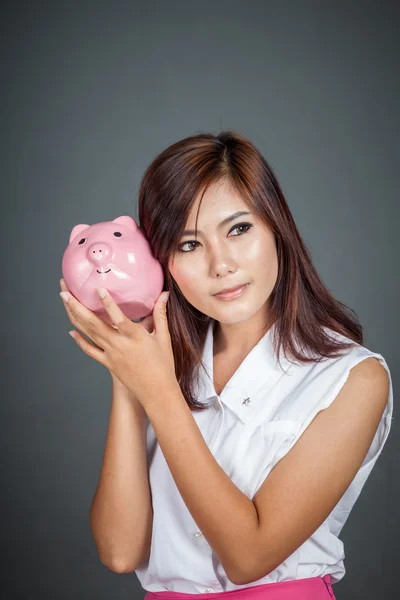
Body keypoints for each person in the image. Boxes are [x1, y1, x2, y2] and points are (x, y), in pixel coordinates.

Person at [61, 130, 393, 599]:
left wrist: (157, 391)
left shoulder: (353, 379)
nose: (221, 265)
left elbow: (249, 557)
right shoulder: (163, 365)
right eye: (189, 245)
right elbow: (119, 551)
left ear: (276, 227)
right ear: (163, 264)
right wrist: (126, 373)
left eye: (239, 229)